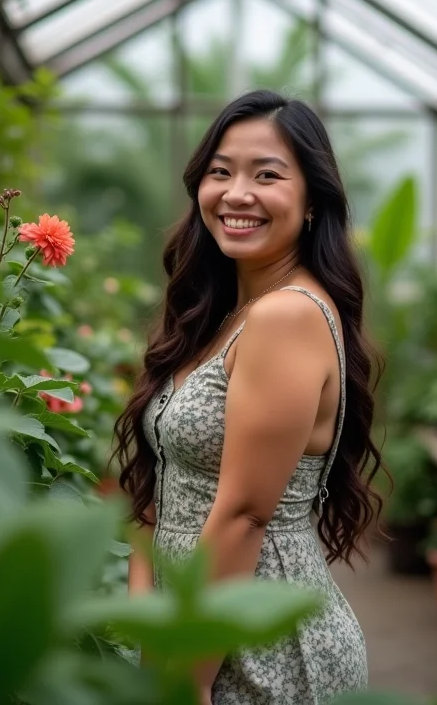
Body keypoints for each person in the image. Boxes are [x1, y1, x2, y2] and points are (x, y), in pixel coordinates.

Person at [113, 89, 384, 704]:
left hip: (258, 642)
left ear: (312, 200)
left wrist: (184, 676)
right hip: (191, 623)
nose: (237, 194)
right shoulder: (224, 315)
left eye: (267, 175)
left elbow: (244, 513)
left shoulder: (286, 316)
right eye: (220, 171)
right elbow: (158, 486)